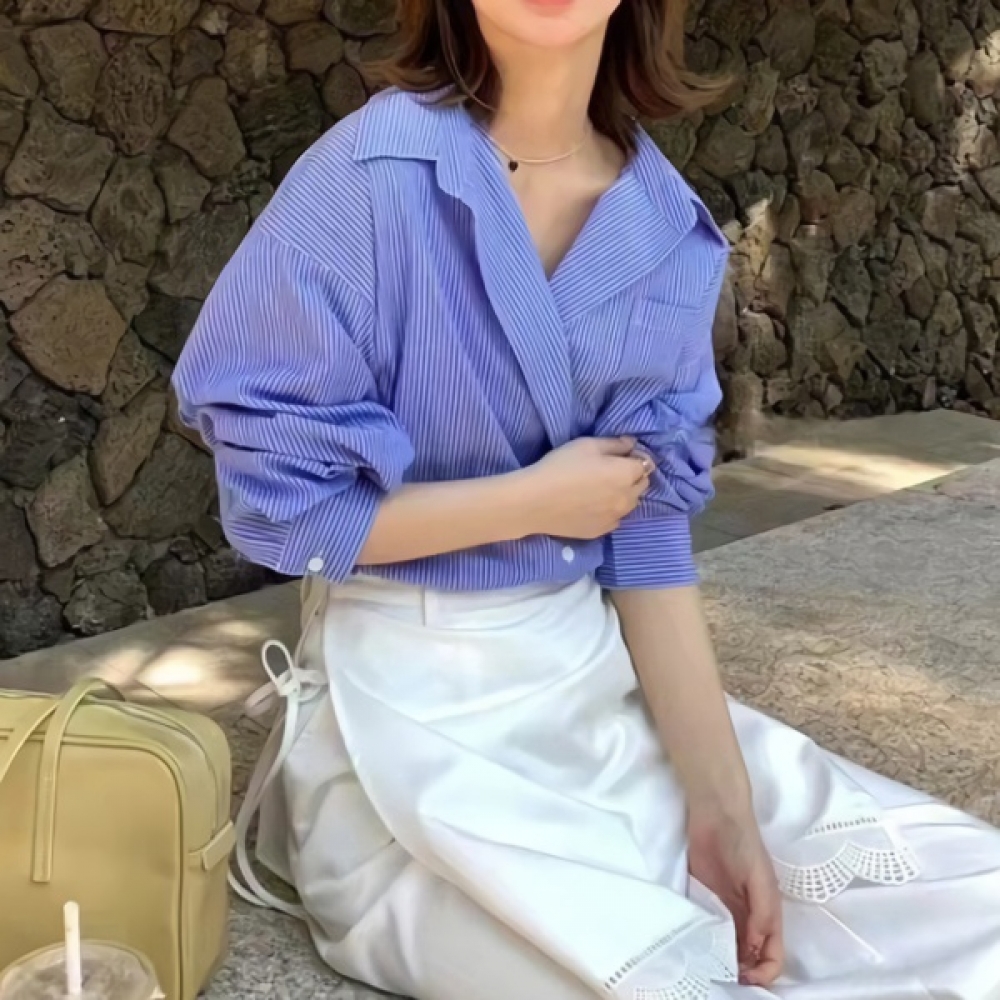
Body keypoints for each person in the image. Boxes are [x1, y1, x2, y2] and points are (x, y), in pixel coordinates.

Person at [172, 1, 1000, 997]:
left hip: (588, 684)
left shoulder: (663, 226)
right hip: (403, 718)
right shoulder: (368, 178)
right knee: (631, 972)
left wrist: (723, 805)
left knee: (957, 902)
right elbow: (290, 516)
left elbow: (646, 542)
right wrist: (528, 501)